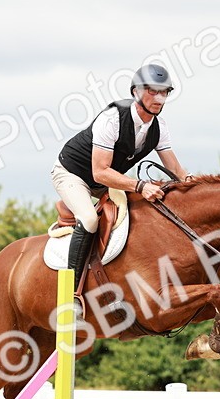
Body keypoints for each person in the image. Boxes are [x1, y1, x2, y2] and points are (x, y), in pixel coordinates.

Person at [52, 63, 190, 289]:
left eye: (163, 92)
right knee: (89, 219)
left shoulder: (159, 128)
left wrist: (197, 185)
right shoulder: (113, 118)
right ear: (136, 92)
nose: (158, 98)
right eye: (152, 91)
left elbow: (176, 170)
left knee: (143, 214)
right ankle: (72, 291)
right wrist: (141, 185)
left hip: (105, 181)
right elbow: (100, 171)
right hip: (72, 174)